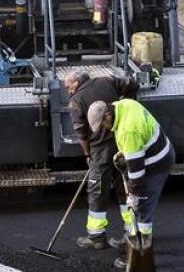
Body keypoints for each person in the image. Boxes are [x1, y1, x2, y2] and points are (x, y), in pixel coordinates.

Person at [88, 98, 174, 269]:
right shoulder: (123, 105)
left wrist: (134, 196)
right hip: (155, 153)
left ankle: (140, 257)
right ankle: (132, 242)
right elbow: (136, 149)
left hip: (156, 164)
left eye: (102, 125)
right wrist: (124, 155)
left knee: (141, 209)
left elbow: (136, 174)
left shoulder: (129, 131)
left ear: (107, 116)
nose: (103, 129)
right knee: (137, 206)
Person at [65, 70, 139, 250]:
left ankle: (96, 237)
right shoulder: (107, 81)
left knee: (97, 190)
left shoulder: (76, 101)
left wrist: (88, 154)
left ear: (76, 81)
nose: (69, 91)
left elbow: (81, 133)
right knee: (125, 188)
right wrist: (127, 103)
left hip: (100, 151)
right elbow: (133, 85)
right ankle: (132, 232)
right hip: (121, 143)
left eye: (69, 87)